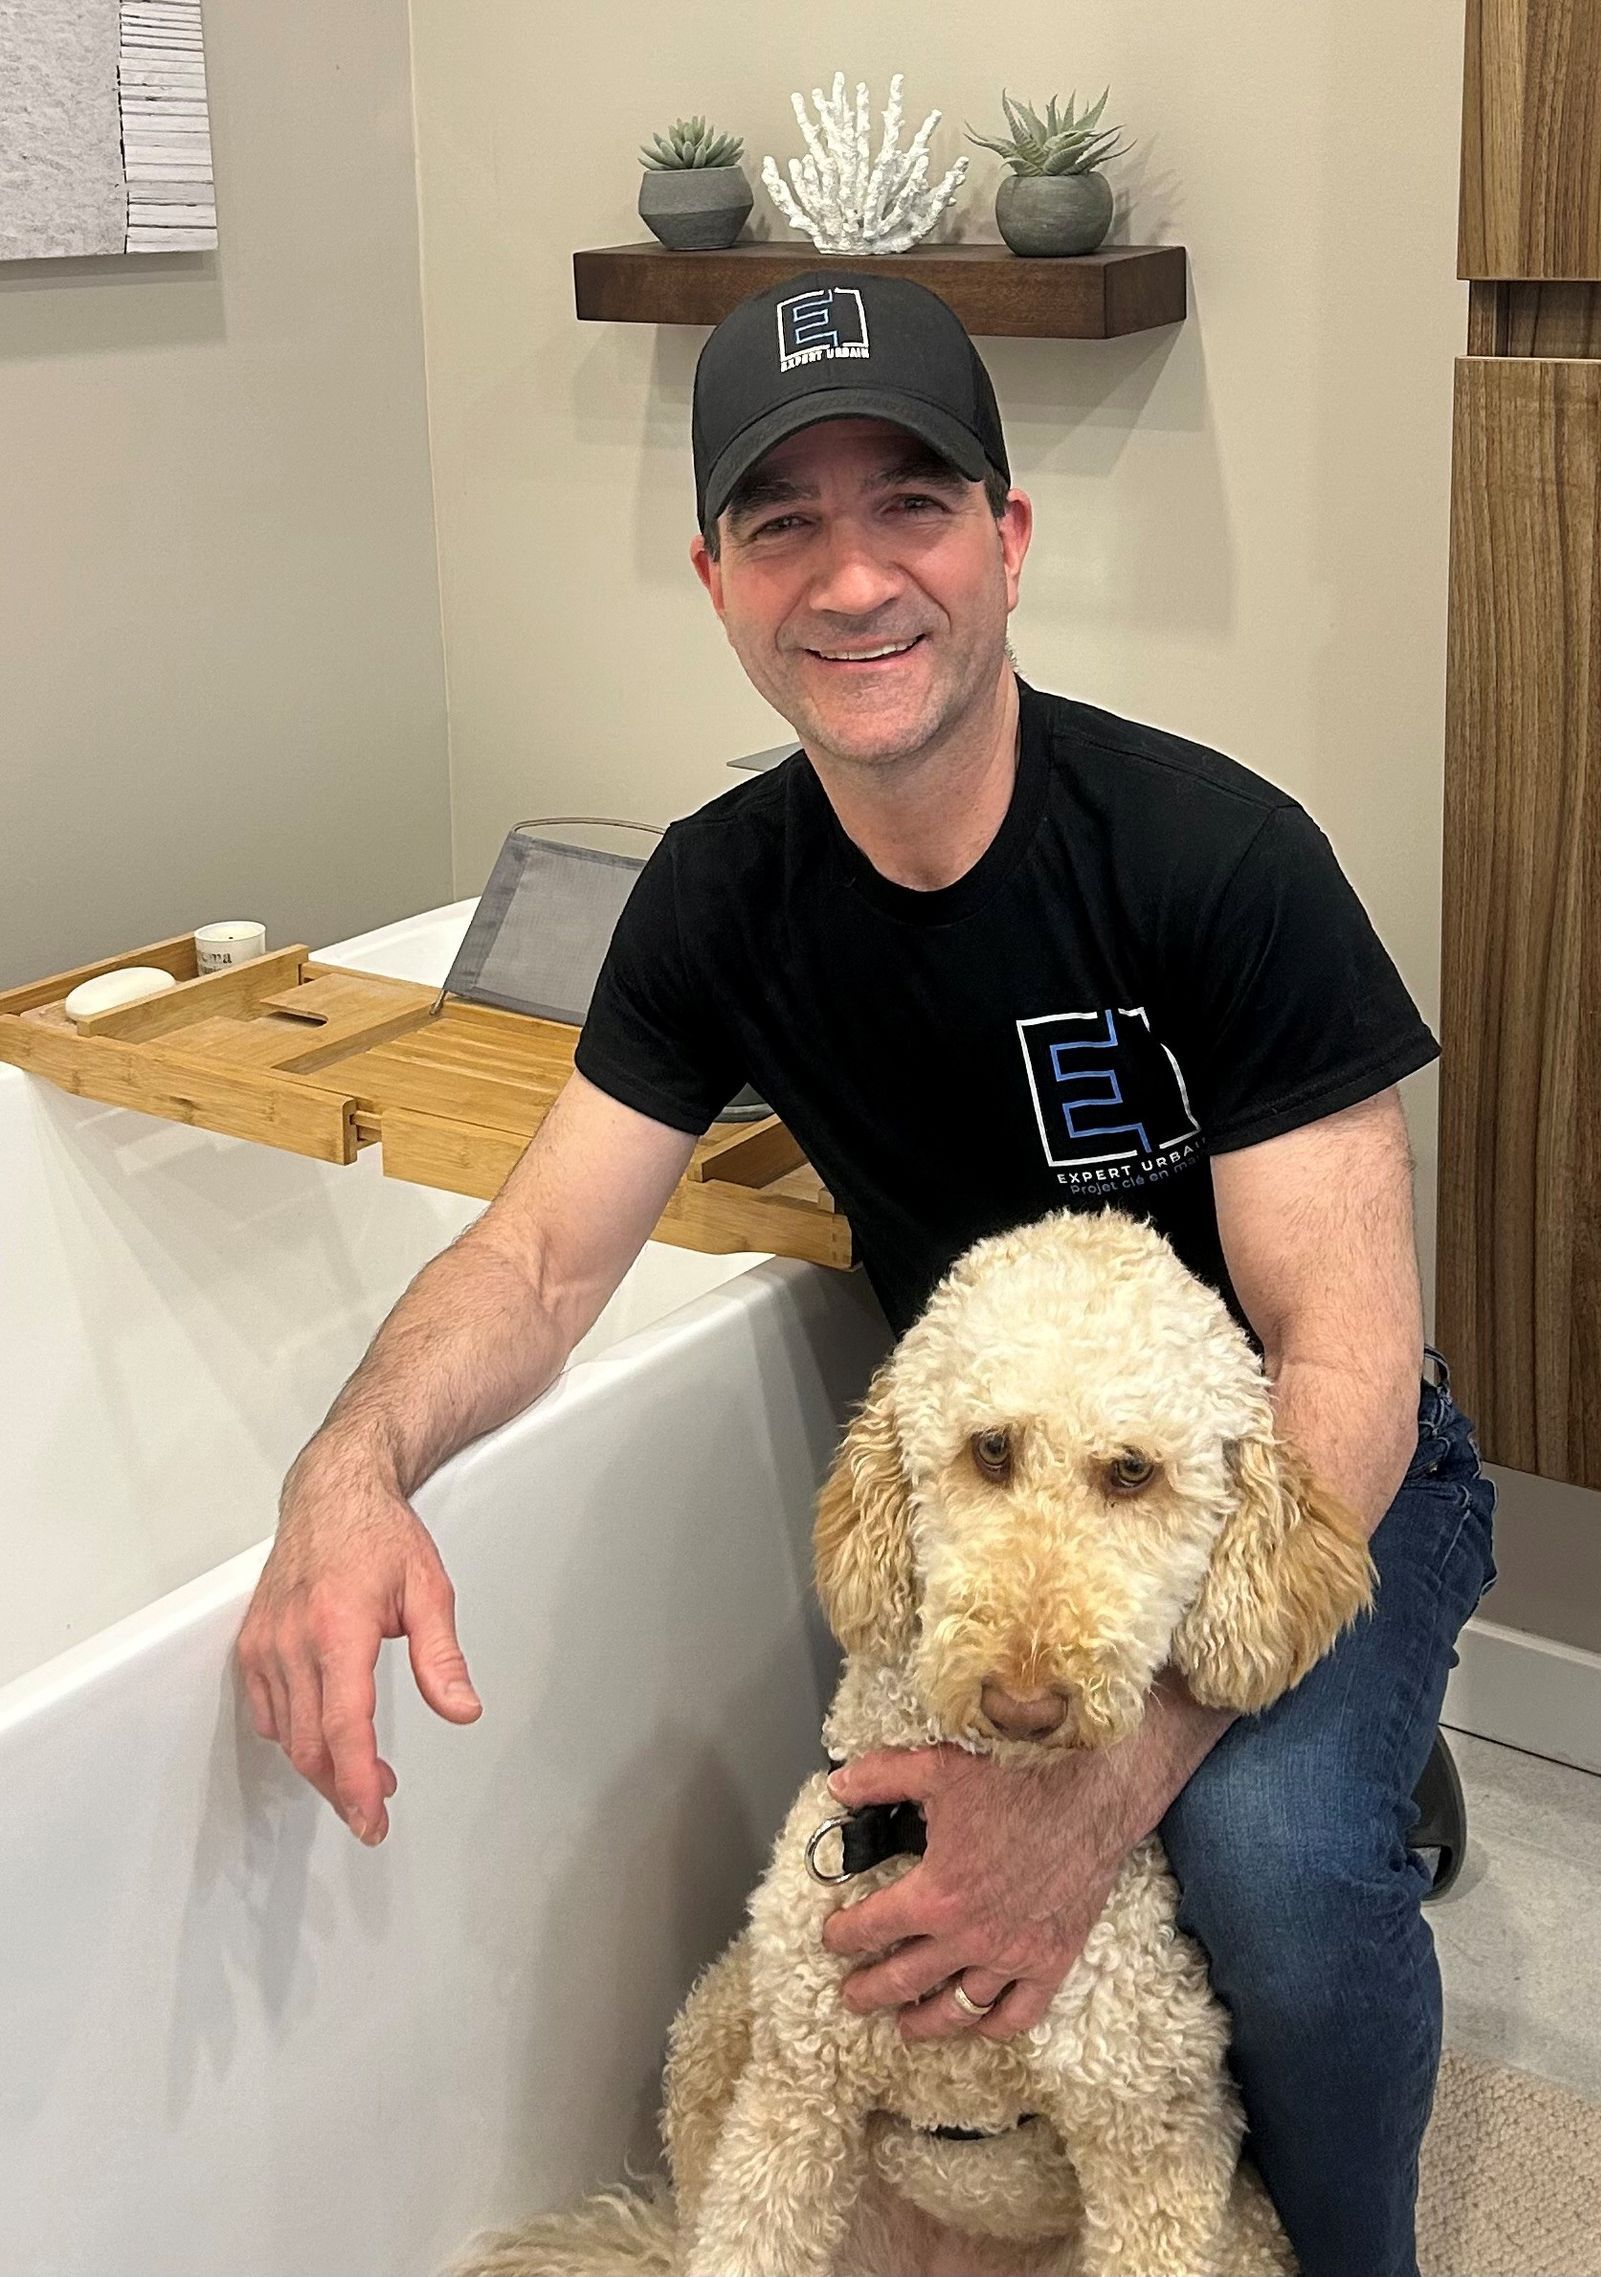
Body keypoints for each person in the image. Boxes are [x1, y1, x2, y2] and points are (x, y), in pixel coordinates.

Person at [236, 269, 1496, 2277]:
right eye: (781, 522)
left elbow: (1343, 1346)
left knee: (1262, 1856)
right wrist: (348, 1464)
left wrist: (1127, 1783)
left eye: (908, 501)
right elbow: (544, 1253)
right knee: (923, 1831)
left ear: (1006, 539)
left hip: (1306, 1487)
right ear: (716, 578)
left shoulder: (1212, 859)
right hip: (1003, 1480)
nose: (850, 579)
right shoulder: (722, 895)